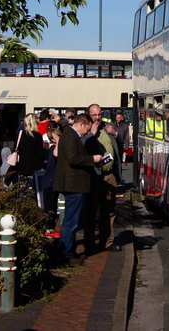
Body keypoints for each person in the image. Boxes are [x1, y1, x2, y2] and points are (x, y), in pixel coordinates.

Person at [54, 113, 103, 264]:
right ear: (82, 123)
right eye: (87, 129)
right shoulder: (70, 136)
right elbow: (72, 158)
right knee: (71, 220)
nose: (87, 133)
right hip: (73, 184)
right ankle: (67, 254)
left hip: (74, 183)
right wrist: (92, 159)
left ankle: (69, 251)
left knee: (71, 219)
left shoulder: (70, 135)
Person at [82, 104, 120, 253]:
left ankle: (108, 242)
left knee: (109, 210)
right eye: (94, 115)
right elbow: (82, 148)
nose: (97, 118)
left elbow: (119, 145)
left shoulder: (106, 127)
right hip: (94, 176)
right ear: (88, 115)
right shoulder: (86, 131)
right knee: (91, 211)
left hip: (109, 175)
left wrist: (115, 134)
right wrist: (92, 133)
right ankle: (89, 244)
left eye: (99, 114)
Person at [14, 113, 46, 194]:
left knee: (22, 185)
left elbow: (16, 148)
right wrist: (42, 166)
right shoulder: (38, 135)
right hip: (33, 163)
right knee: (32, 187)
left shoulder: (21, 133)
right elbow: (40, 152)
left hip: (22, 162)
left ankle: (21, 201)